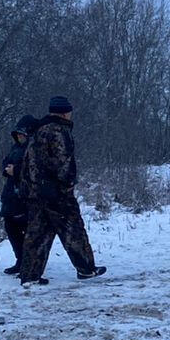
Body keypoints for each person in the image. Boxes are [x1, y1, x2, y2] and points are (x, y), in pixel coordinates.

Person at [18, 95, 106, 285]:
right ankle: (86, 269)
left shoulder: (38, 131)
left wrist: (28, 187)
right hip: (56, 193)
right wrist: (68, 183)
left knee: (37, 235)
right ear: (66, 113)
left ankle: (30, 276)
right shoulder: (59, 131)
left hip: (35, 192)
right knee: (73, 230)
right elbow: (63, 163)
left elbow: (28, 162)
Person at [0, 114, 38, 275]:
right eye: (18, 134)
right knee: (11, 227)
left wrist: (15, 170)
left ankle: (29, 263)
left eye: (22, 134)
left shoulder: (34, 148)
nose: (20, 137)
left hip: (24, 196)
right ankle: (20, 260)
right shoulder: (16, 147)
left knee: (27, 230)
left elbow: (34, 169)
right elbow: (5, 162)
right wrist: (8, 170)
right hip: (11, 195)